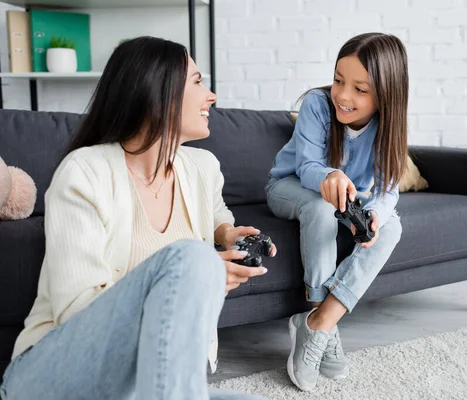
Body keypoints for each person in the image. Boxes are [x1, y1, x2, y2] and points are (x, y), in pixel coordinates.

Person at [0, 36, 274, 400]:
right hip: (56, 375)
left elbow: (214, 211)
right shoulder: (84, 172)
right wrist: (188, 278)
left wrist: (224, 233)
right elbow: (75, 312)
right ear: (156, 91)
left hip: (140, 384)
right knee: (194, 257)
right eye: (197, 81)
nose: (211, 96)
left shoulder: (202, 167)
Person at [265, 32, 407, 392]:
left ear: (386, 95)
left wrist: (375, 212)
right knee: (318, 206)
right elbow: (308, 165)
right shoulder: (317, 104)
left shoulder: (389, 126)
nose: (343, 95)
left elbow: (389, 187)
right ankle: (316, 309)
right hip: (290, 187)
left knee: (390, 228)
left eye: (360, 89)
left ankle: (320, 322)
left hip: (343, 196)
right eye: (338, 81)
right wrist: (331, 175)